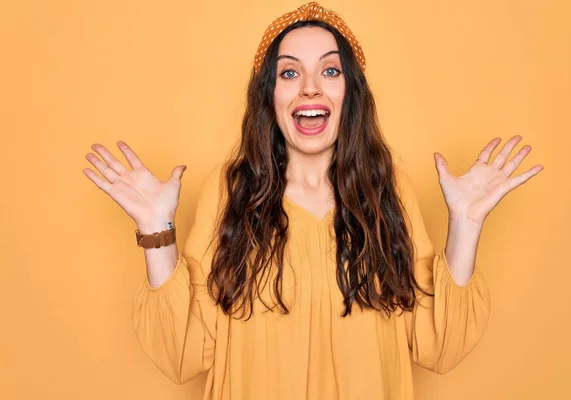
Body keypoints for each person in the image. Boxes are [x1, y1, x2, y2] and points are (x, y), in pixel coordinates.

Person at [83, 2, 543, 399]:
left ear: (350, 94)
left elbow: (437, 347)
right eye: (289, 72)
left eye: (329, 70)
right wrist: (155, 230)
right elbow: (181, 355)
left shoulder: (389, 189)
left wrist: (465, 224)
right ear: (271, 96)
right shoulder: (230, 191)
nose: (310, 87)